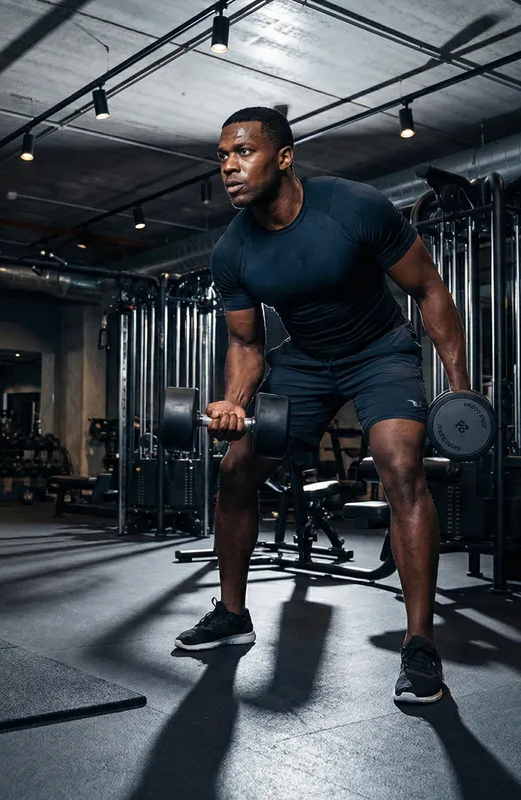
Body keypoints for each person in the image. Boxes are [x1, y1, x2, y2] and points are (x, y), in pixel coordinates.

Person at [173, 106, 470, 705]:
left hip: (379, 351)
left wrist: (460, 390)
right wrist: (234, 403)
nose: (229, 167)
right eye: (223, 158)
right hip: (304, 361)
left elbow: (429, 288)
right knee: (235, 471)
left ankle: (419, 644)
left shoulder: (353, 208)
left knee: (400, 466)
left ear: (284, 157)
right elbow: (247, 341)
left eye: (243, 152)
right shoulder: (232, 251)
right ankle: (232, 615)